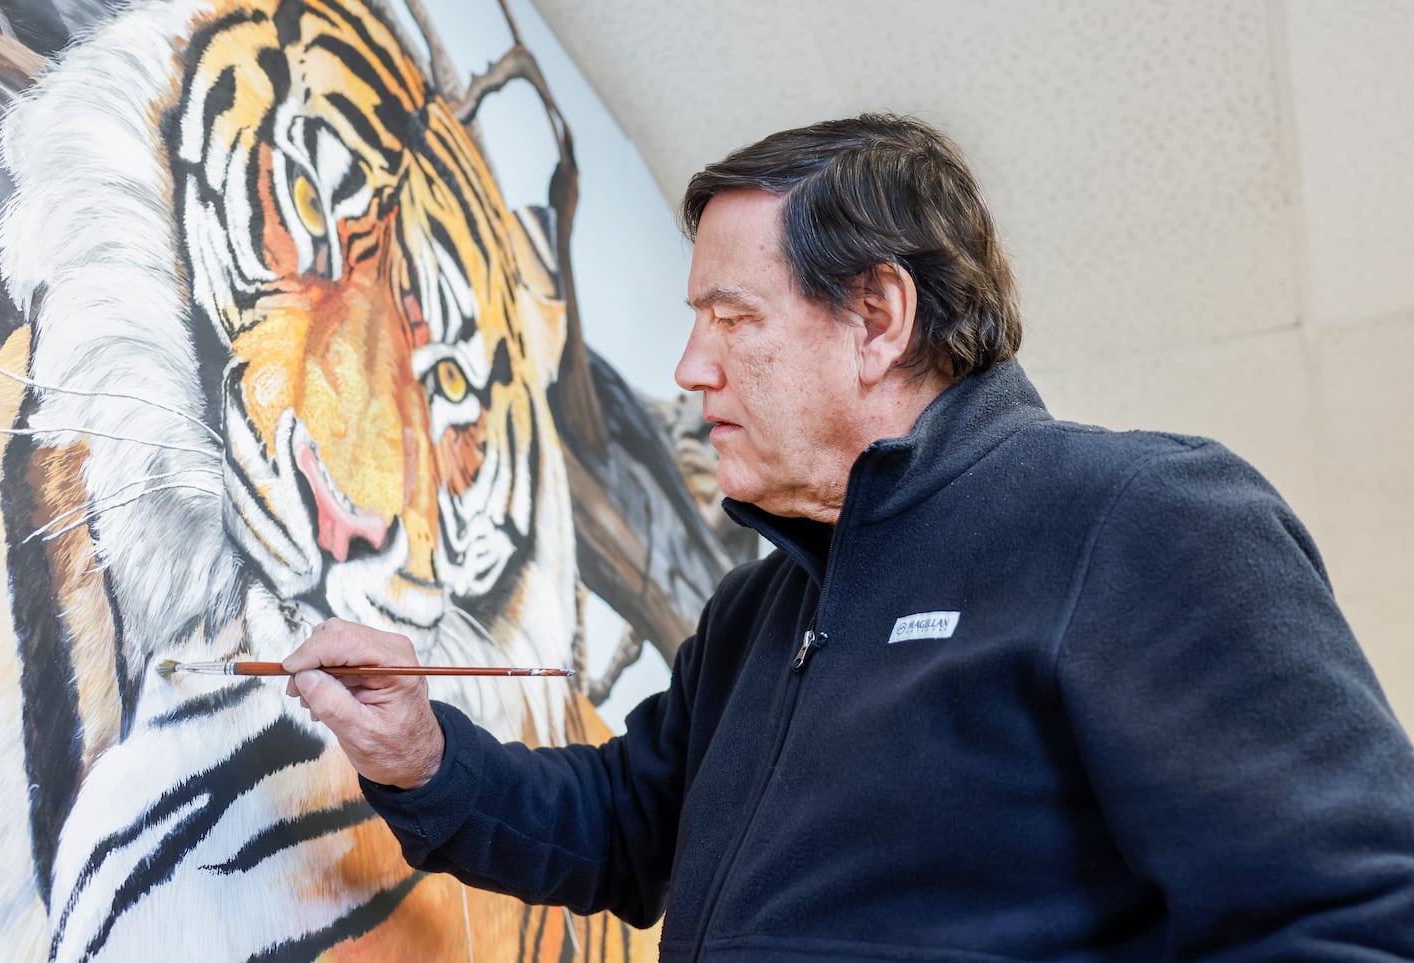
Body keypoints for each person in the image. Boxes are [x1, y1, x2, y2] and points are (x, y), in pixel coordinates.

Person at [284, 114, 1414, 960]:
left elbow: (1351, 919)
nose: (690, 369)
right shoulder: (759, 611)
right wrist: (422, 757)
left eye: (732, 320)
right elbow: (624, 830)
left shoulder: (1135, 520)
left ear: (876, 318)